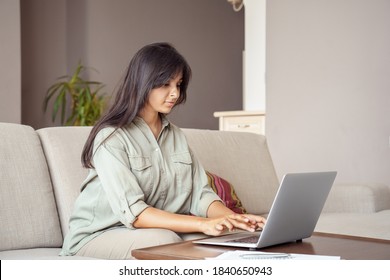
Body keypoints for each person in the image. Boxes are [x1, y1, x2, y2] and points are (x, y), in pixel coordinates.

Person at [60, 42, 266, 259]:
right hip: (97, 236)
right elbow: (135, 213)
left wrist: (232, 219)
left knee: (221, 240)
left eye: (178, 84)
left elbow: (201, 194)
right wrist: (203, 223)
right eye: (165, 84)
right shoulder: (111, 137)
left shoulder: (176, 136)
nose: (175, 93)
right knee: (164, 241)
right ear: (143, 83)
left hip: (149, 232)